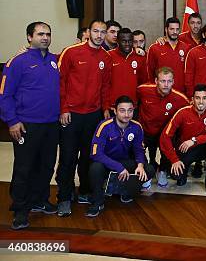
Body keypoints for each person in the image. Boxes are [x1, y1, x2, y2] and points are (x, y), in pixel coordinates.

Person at [0, 22, 60, 229]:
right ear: (29, 37)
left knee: (46, 165)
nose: (45, 37)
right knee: (24, 168)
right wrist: (12, 121)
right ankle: (20, 209)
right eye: (40, 34)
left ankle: (40, 200)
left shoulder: (55, 61)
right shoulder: (17, 61)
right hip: (26, 124)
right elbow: (5, 94)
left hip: (51, 124)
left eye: (48, 34)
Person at [56, 19, 112, 217]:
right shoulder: (71, 52)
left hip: (94, 115)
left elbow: (105, 86)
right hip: (71, 115)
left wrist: (105, 108)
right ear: (88, 32)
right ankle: (64, 197)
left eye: (102, 32)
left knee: (89, 157)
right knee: (68, 157)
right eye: (95, 31)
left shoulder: (106, 57)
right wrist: (63, 109)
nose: (99, 35)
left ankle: (85, 191)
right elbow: (60, 83)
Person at [87, 96, 154, 217]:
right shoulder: (104, 126)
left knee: (148, 169)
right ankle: (97, 201)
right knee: (95, 168)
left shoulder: (137, 127)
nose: (127, 114)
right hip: (106, 163)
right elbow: (96, 154)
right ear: (115, 111)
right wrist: (118, 167)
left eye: (130, 110)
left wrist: (140, 165)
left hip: (125, 162)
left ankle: (125, 191)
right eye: (122, 110)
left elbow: (139, 150)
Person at [136, 67, 190, 188]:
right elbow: (131, 98)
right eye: (162, 81)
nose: (166, 85)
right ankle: (146, 172)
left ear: (173, 82)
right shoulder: (143, 90)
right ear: (156, 81)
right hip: (145, 131)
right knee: (137, 150)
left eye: (169, 81)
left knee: (168, 145)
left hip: (165, 134)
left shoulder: (180, 98)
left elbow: (193, 107)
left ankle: (162, 171)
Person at [160, 84, 206, 194]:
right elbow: (165, 136)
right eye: (197, 98)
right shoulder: (183, 112)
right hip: (186, 149)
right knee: (176, 176)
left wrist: (194, 140)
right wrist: (174, 160)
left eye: (204, 98)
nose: (201, 102)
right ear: (192, 100)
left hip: (202, 147)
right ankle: (185, 168)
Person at [146, 17, 189, 94]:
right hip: (161, 92)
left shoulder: (186, 48)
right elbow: (150, 72)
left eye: (177, 29)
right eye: (172, 29)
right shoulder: (155, 48)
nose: (175, 32)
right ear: (166, 29)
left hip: (181, 93)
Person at [108, 28, 148, 105]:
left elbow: (143, 82)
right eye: (123, 41)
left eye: (130, 41)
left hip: (133, 105)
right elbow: (104, 83)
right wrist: (105, 105)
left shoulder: (140, 57)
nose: (127, 44)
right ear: (117, 41)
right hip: (113, 105)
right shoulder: (108, 56)